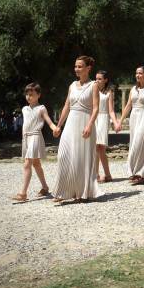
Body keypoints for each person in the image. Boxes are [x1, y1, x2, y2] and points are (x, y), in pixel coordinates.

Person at [52, 56, 104, 203]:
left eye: (80, 66)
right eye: (75, 66)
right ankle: (62, 191)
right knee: (63, 155)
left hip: (84, 124)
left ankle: (81, 193)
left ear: (88, 68)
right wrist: (59, 125)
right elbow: (66, 106)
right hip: (70, 124)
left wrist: (89, 125)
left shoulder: (93, 85)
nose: (76, 69)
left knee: (81, 159)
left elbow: (95, 108)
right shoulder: (72, 85)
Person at [11, 82, 58, 202]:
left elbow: (49, 121)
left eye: (31, 94)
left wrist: (55, 128)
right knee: (36, 164)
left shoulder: (41, 108)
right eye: (27, 94)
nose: (28, 96)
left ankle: (23, 194)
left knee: (27, 164)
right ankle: (45, 187)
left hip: (36, 137)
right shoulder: (24, 109)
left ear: (39, 95)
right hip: (26, 138)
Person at [120, 66, 144, 185]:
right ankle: (136, 173)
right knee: (134, 144)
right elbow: (128, 105)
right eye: (136, 73)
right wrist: (120, 121)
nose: (138, 75)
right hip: (134, 117)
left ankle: (141, 173)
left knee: (141, 144)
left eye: (140, 73)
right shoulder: (133, 89)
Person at [95, 70, 120, 183]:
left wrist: (115, 122)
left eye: (100, 79)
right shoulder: (92, 89)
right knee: (94, 148)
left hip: (103, 118)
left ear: (105, 80)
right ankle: (95, 175)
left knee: (101, 148)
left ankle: (108, 174)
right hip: (93, 119)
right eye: (96, 78)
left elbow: (111, 110)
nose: (97, 80)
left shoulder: (109, 92)